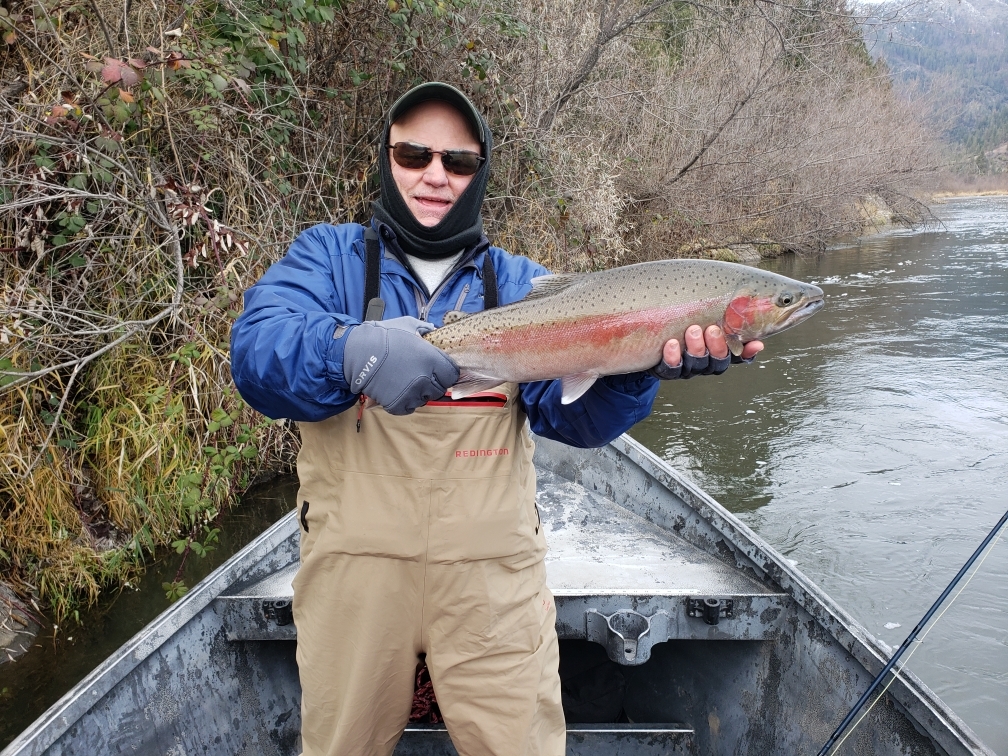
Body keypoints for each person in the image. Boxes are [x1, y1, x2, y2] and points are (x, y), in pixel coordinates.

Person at [230, 82, 762, 756]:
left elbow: (576, 423)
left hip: (494, 586)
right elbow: (255, 357)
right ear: (386, 159)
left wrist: (637, 371)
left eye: (457, 161)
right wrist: (347, 352)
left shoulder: (518, 284)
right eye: (414, 153)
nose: (434, 175)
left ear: (479, 174)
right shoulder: (326, 259)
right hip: (350, 583)